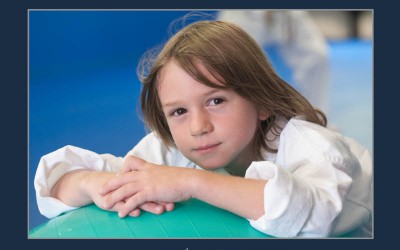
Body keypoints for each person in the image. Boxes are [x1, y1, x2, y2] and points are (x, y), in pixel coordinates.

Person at [34, 18, 372, 238]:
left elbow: (312, 215)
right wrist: (98, 184)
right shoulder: (173, 147)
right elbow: (58, 181)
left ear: (262, 101)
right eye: (179, 111)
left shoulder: (313, 149)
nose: (198, 126)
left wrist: (189, 181)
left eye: (216, 101)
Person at [218, 10, 330, 115]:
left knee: (316, 55)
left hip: (285, 12)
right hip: (244, 13)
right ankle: (235, 117)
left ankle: (314, 116)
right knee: (230, 60)